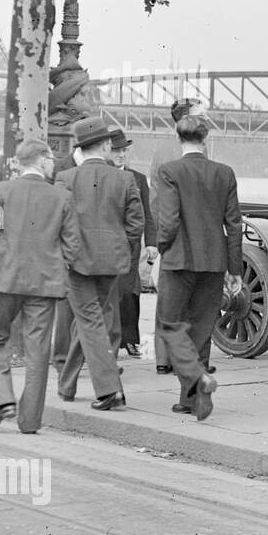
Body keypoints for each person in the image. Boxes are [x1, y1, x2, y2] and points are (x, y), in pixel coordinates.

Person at [0, 140, 79, 432]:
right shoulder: (62, 197)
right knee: (38, 351)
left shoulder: (0, 191)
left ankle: (1, 399)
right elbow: (73, 246)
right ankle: (30, 421)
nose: (53, 164)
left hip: (3, 278)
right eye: (51, 159)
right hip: (44, 283)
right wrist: (59, 266)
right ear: (42, 160)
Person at [154, 116, 241, 421]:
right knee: (202, 330)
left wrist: (161, 250)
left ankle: (196, 379)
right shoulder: (224, 173)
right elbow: (234, 224)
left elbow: (168, 221)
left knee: (170, 325)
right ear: (205, 140)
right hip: (214, 262)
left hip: (178, 260)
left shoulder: (169, 171)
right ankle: (191, 401)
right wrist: (234, 269)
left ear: (178, 138)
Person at [56, 116, 144, 410]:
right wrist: (119, 247)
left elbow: (58, 222)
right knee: (94, 320)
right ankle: (67, 384)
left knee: (89, 321)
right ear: (106, 146)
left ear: (81, 148)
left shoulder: (65, 178)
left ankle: (109, 391)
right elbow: (136, 224)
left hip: (77, 262)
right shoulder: (125, 179)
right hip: (112, 262)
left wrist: (67, 253)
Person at [151, 97, 213, 376]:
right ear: (187, 119)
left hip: (172, 236)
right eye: (202, 114)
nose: (207, 118)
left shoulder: (163, 149)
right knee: (194, 303)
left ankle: (165, 359)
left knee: (169, 302)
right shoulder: (190, 151)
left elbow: (156, 200)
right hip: (188, 235)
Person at [110, 130, 157, 357]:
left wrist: (151, 243)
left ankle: (130, 340)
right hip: (107, 244)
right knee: (110, 293)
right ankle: (109, 341)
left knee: (130, 292)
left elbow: (147, 213)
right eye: (116, 150)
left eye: (124, 150)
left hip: (131, 245)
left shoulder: (138, 179)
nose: (121, 154)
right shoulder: (102, 176)